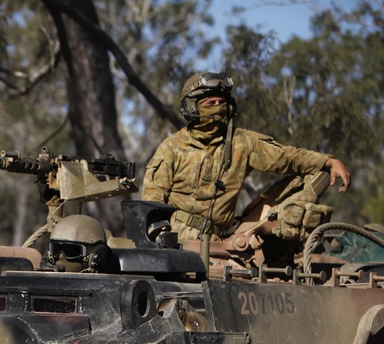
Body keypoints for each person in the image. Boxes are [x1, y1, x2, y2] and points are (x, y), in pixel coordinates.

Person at [142, 72, 351, 240]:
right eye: (209, 103)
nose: (217, 108)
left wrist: (327, 161)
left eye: (221, 102)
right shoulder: (172, 148)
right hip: (177, 239)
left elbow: (286, 157)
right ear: (191, 107)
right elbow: (151, 201)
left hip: (217, 241)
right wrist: (160, 238)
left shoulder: (243, 143)